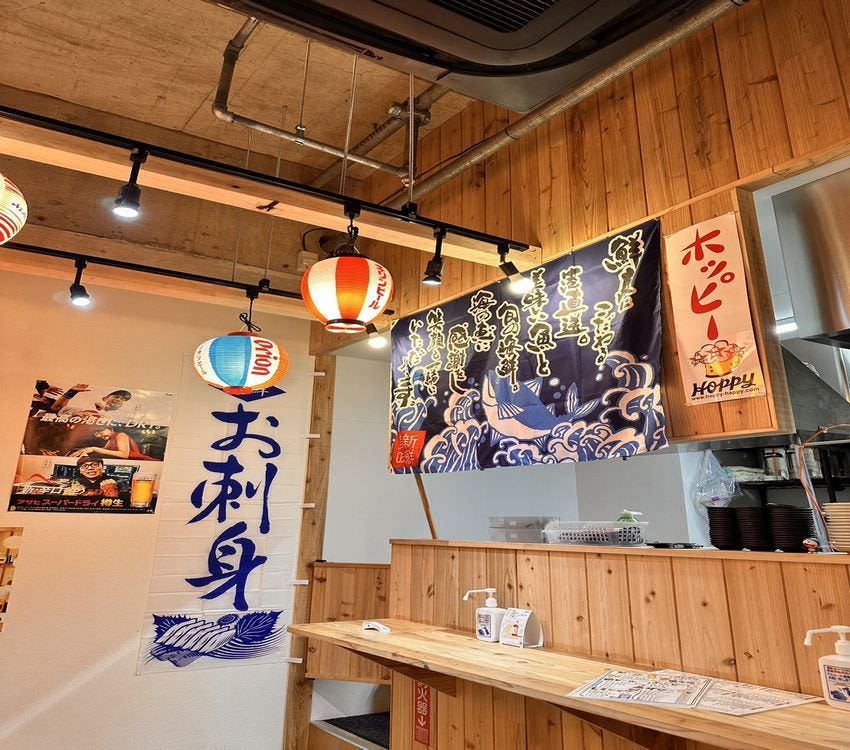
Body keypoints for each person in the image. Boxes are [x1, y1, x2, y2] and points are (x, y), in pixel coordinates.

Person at [69, 427, 155, 460]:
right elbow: (104, 452)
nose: (100, 435)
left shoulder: (120, 435)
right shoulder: (110, 440)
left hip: (141, 462)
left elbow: (124, 454)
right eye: (97, 435)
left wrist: (94, 449)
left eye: (101, 432)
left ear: (110, 428)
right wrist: (84, 450)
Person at [51, 385, 132, 418]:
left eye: (123, 399)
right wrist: (71, 392)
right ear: (105, 398)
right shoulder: (81, 409)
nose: (119, 400)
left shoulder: (122, 418)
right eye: (116, 396)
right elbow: (56, 409)